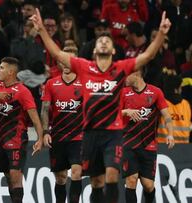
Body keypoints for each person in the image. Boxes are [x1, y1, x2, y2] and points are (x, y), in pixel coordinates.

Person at [30, 8, 171, 203]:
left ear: (113, 51)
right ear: (95, 50)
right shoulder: (83, 67)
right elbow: (57, 53)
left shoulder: (121, 68)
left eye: (107, 41)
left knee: (112, 174)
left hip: (113, 134)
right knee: (97, 182)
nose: (103, 41)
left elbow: (147, 56)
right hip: (89, 134)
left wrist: (162, 34)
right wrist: (41, 30)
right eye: (100, 41)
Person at [0, 57, 43, 203]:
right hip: (1, 138)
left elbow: (34, 117)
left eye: (1, 68)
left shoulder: (23, 91)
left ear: (11, 72)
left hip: (17, 138)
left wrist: (39, 138)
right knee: (7, 175)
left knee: (15, 175)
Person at [121, 70, 174, 203]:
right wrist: (126, 112)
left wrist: (170, 134)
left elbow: (167, 117)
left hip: (148, 145)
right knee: (131, 180)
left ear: (136, 74)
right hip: (128, 144)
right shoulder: (123, 92)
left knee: (148, 185)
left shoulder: (156, 92)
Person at [40, 49, 83, 203]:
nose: (66, 63)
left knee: (77, 172)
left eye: (69, 60)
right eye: (63, 60)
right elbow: (45, 109)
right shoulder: (51, 83)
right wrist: (45, 132)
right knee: (61, 177)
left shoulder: (84, 83)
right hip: (58, 136)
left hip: (79, 137)